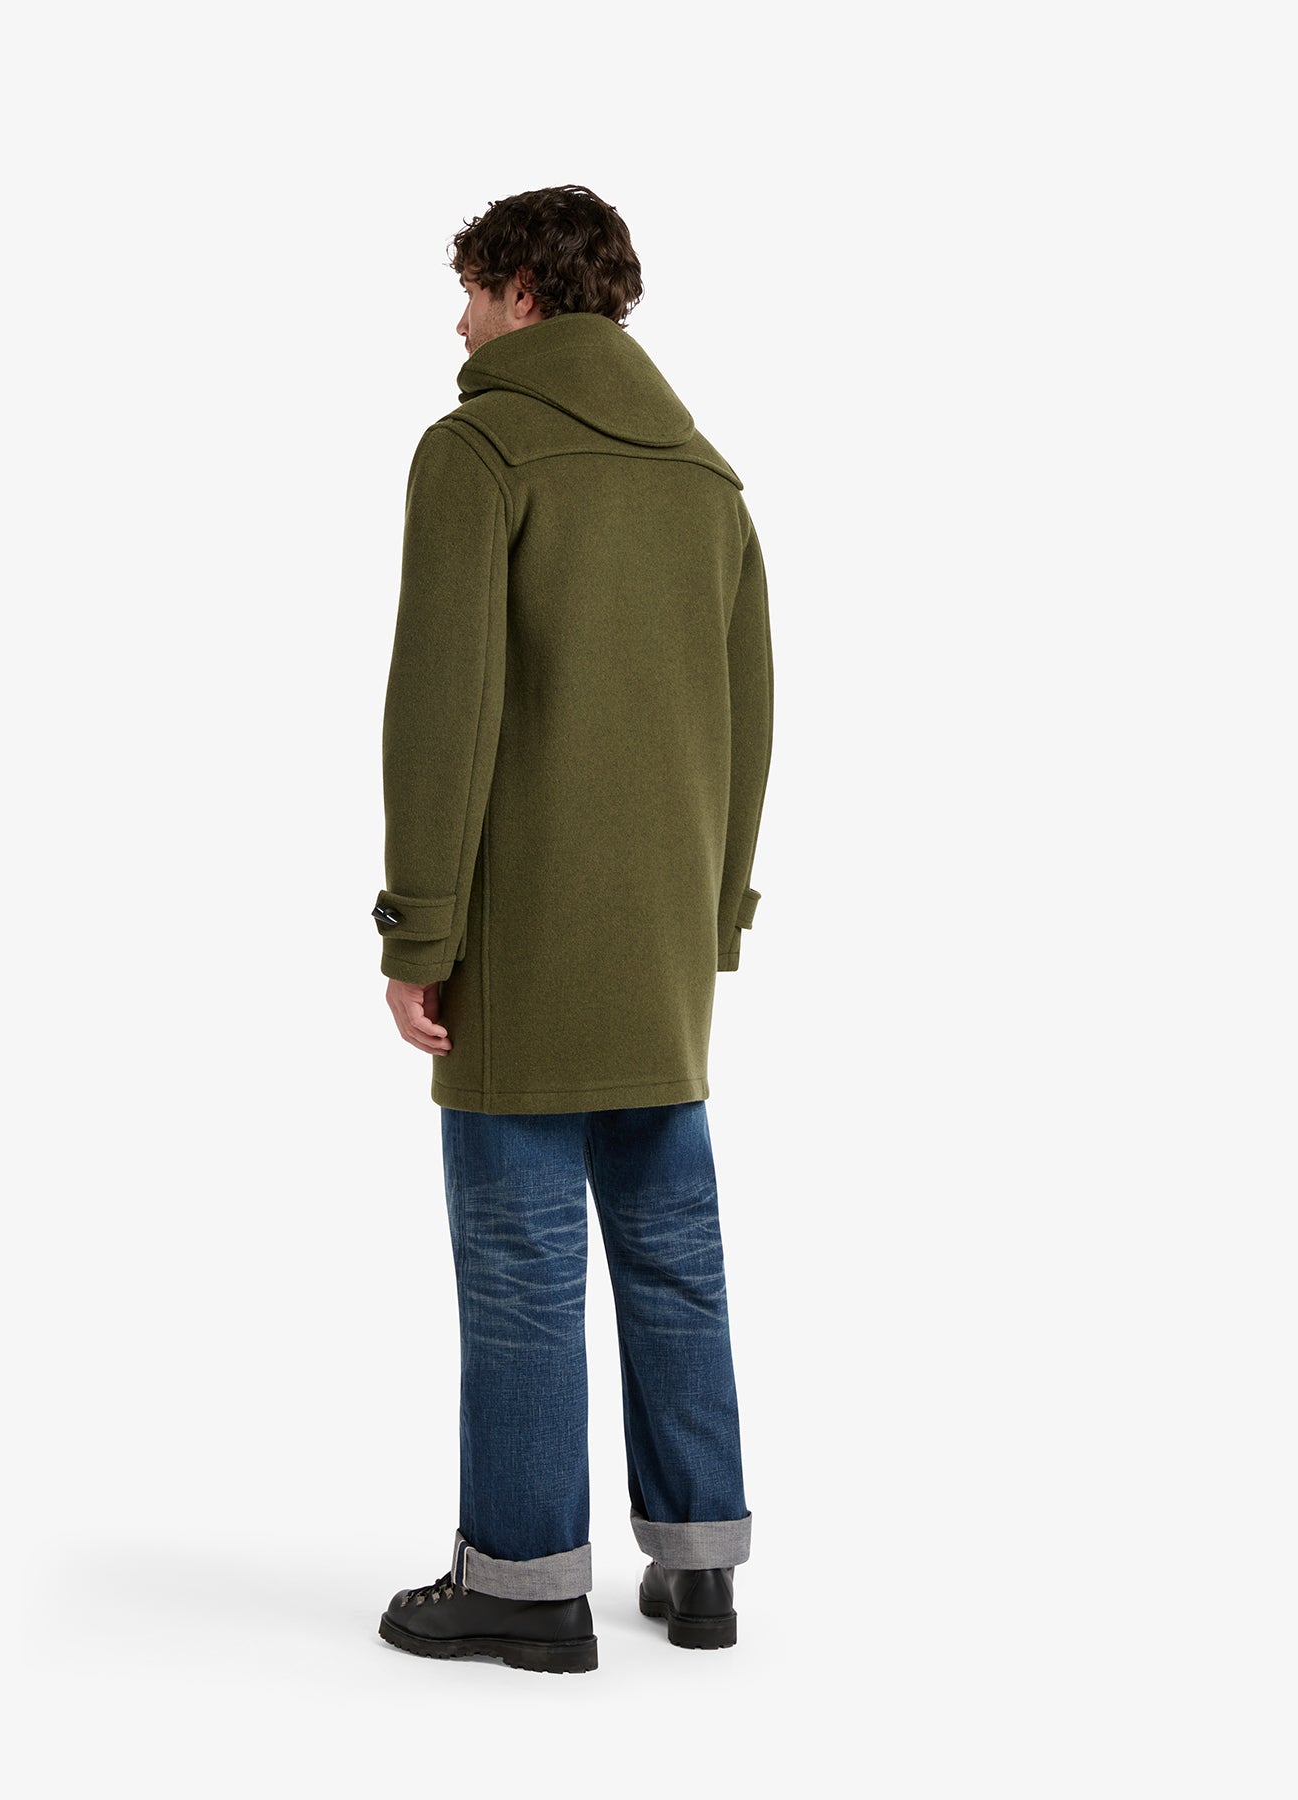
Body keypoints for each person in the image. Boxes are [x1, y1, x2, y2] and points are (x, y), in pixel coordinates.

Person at [372, 185, 774, 1674]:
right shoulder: (704, 475)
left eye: (474, 292)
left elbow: (444, 707)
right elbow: (751, 716)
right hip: (660, 935)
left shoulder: (477, 451)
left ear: (527, 294)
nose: (461, 321)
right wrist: (714, 912)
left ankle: (528, 1582)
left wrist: (419, 930)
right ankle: (701, 1566)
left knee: (523, 1258)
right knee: (675, 1247)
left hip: (521, 936)